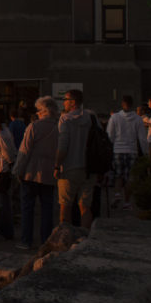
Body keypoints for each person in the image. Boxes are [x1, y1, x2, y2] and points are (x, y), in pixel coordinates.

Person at [14, 96, 59, 250]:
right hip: (50, 174)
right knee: (47, 208)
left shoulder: (34, 127)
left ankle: (26, 240)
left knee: (28, 207)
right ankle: (46, 240)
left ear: (42, 111)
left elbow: (24, 152)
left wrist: (18, 170)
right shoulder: (59, 127)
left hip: (31, 172)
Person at [55, 89, 95, 228]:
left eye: (65, 100)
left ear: (73, 102)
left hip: (69, 168)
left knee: (65, 206)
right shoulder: (90, 118)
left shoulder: (65, 120)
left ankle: (65, 239)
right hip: (88, 167)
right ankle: (84, 239)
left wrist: (56, 165)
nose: (64, 103)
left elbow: (63, 146)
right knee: (85, 206)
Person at [106, 95, 146, 211]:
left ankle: (117, 193)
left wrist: (109, 150)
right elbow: (142, 138)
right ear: (132, 104)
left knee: (118, 174)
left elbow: (110, 135)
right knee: (129, 177)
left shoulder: (115, 118)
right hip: (132, 150)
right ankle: (127, 201)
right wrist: (145, 153)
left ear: (122, 104)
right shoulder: (138, 119)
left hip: (118, 149)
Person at [0, 110, 17, 240]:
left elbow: (7, 153)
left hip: (2, 168)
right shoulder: (5, 132)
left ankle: (6, 230)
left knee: (4, 202)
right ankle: (6, 229)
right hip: (3, 167)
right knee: (5, 201)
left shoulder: (1, 135)